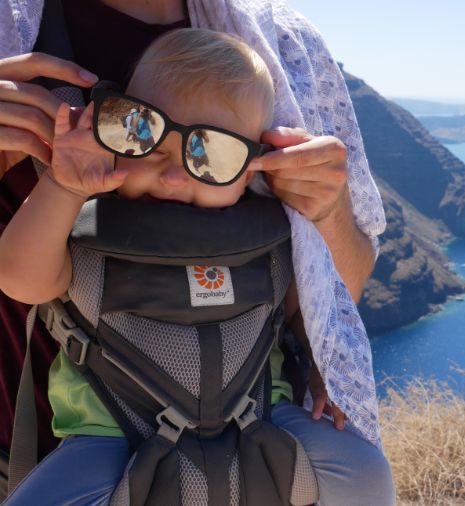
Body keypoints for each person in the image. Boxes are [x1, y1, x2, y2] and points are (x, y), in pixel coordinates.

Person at [0, 0, 389, 503]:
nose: (173, 173)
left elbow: (319, 307)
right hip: (107, 434)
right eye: (144, 134)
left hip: (257, 420)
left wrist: (328, 215)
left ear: (257, 165)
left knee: (367, 473)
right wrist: (62, 187)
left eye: (214, 154)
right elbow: (23, 280)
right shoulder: (93, 227)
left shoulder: (291, 51)